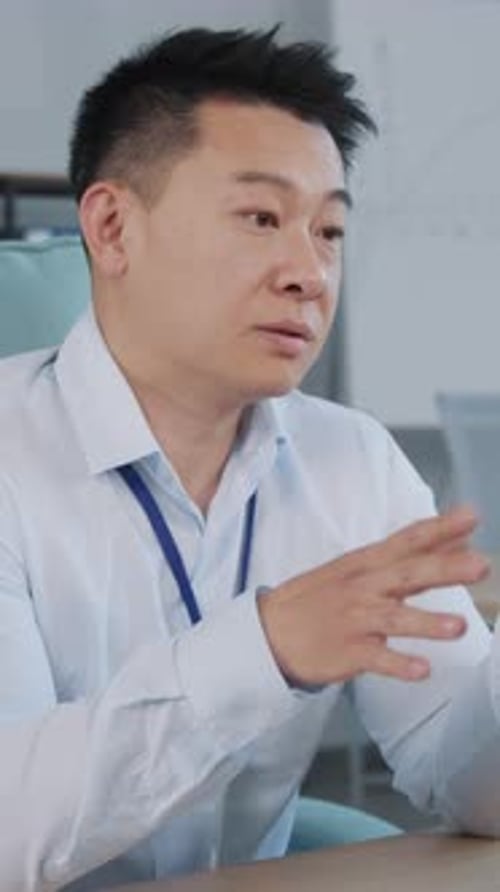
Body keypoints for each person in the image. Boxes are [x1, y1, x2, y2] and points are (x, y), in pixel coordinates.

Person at [0, 25, 497, 892]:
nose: (310, 273)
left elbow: (474, 785)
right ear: (112, 229)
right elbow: (9, 826)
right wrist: (263, 651)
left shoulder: (352, 460)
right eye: (262, 218)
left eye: (330, 230)